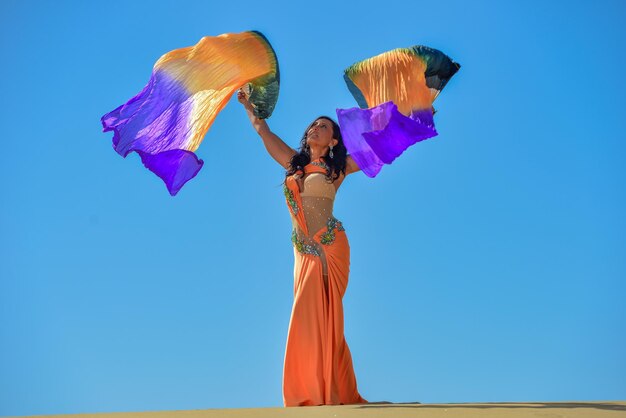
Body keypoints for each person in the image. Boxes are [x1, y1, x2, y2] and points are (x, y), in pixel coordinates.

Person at [238, 89, 368, 406]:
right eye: (313, 125)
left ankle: (315, 396)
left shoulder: (337, 170)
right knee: (310, 317)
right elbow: (262, 129)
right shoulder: (292, 164)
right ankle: (314, 394)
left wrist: (408, 120)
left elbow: (377, 150)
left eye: (323, 127)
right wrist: (248, 105)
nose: (315, 128)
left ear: (333, 141)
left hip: (328, 246)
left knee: (318, 316)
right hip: (301, 251)